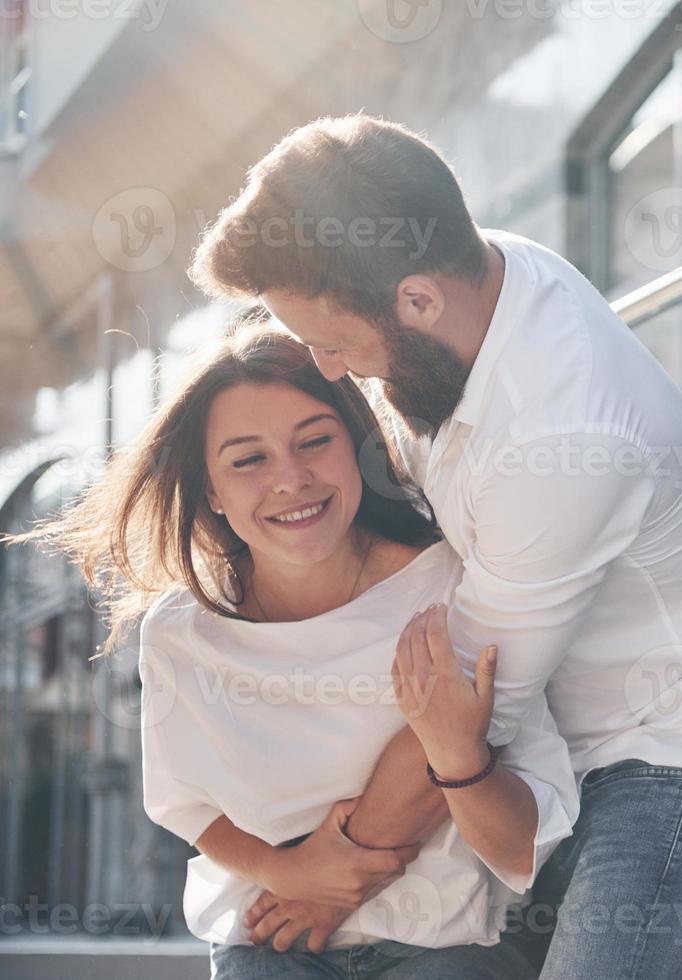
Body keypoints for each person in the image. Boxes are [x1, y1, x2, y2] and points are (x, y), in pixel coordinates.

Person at [188, 114, 682, 979]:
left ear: (416, 300)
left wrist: (330, 875)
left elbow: (471, 692)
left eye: (333, 344)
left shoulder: (566, 435)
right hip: (545, 766)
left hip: (679, 765)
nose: (329, 370)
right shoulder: (469, 283)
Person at [14, 324, 576, 979]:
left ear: (360, 448)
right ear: (211, 492)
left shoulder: (453, 590)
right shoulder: (180, 631)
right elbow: (190, 809)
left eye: (314, 441)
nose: (292, 479)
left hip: (448, 944)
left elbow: (525, 843)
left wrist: (455, 762)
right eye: (247, 459)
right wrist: (293, 872)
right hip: (269, 941)